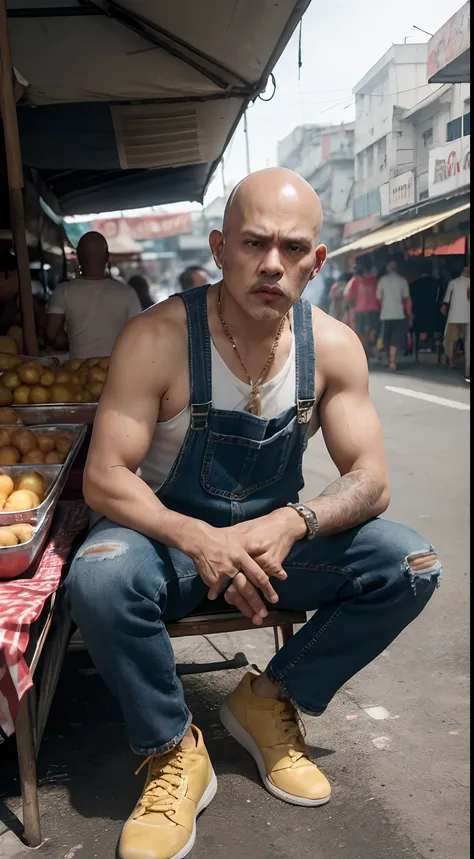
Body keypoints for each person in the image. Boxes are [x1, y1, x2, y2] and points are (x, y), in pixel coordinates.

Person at [66, 169, 439, 859]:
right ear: (218, 247)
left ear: (317, 260)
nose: (274, 262)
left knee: (409, 563)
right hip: (167, 544)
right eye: (254, 242)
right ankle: (174, 747)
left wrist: (294, 521)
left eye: (294, 247)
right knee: (98, 577)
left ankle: (267, 698)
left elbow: (371, 479)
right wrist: (197, 536)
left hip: (274, 548)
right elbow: (105, 476)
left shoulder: (331, 346)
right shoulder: (157, 338)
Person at [46, 232, 142, 358]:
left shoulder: (63, 291)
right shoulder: (128, 293)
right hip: (116, 371)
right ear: (107, 256)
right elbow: (139, 337)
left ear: (78, 256)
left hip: (77, 372)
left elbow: (51, 334)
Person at [376, 260, 412, 371]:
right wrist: (409, 313)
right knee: (395, 339)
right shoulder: (402, 280)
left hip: (385, 314)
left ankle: (388, 358)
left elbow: (378, 298)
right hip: (399, 313)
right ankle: (392, 361)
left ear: (387, 269)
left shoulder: (382, 280)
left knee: (386, 338)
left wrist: (382, 308)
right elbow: (407, 298)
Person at [344, 260, 380, 357]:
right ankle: (370, 348)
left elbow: (348, 295)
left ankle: (364, 351)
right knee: (372, 331)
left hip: (360, 310)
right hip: (374, 309)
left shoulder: (354, 281)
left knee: (361, 332)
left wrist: (349, 307)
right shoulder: (374, 280)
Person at [441, 265, 470, 370]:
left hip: (454, 316)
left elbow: (446, 301)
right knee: (467, 341)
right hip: (467, 316)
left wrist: (444, 309)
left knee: (451, 341)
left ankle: (451, 362)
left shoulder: (452, 283)